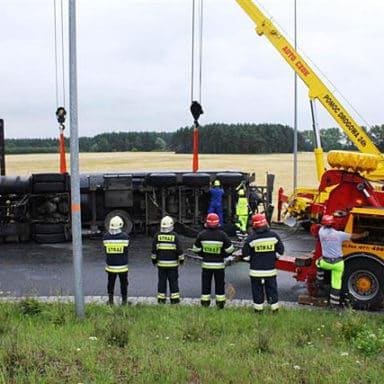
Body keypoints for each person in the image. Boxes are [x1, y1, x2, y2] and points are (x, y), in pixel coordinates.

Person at [316, 214, 368, 308]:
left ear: (323, 224)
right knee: (336, 284)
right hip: (338, 264)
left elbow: (320, 226)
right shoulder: (340, 235)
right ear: (332, 224)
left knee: (318, 262)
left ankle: (319, 283)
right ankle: (334, 304)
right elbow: (353, 236)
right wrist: (363, 234)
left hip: (326, 263)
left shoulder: (321, 232)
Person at [242, 213, 284, 313]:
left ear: (254, 225)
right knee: (272, 290)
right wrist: (273, 258)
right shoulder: (274, 236)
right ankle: (274, 310)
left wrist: (252, 260)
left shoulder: (251, 239)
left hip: (255, 271)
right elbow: (280, 251)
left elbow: (246, 256)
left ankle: (258, 310)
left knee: (257, 291)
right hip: (270, 271)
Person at [192, 212, 234, 308]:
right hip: (219, 265)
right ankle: (220, 304)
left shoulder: (202, 235)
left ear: (206, 223)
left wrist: (203, 254)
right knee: (219, 285)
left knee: (206, 284)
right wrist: (222, 255)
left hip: (206, 265)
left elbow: (195, 249)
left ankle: (205, 303)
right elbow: (230, 250)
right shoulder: (222, 235)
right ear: (218, 223)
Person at [151, 215, 184, 304]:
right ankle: (175, 299)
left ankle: (161, 299)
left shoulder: (157, 236)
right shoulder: (175, 236)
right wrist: (181, 261)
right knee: (173, 282)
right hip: (173, 265)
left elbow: (153, 251)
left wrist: (154, 261)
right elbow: (179, 250)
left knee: (162, 282)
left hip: (161, 265)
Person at [103, 215, 130, 305]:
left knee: (110, 283)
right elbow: (126, 250)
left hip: (111, 267)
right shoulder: (125, 237)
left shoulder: (105, 237)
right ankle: (124, 301)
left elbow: (105, 250)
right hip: (122, 267)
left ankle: (110, 301)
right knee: (124, 284)